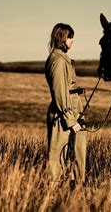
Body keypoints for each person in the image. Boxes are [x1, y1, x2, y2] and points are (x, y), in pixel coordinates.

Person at [45, 23, 87, 187]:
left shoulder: (61, 59)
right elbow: (59, 92)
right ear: (62, 38)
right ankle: (57, 194)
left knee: (75, 154)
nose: (72, 41)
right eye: (70, 37)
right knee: (60, 156)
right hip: (65, 114)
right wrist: (71, 120)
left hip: (71, 110)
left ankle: (73, 193)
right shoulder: (58, 61)